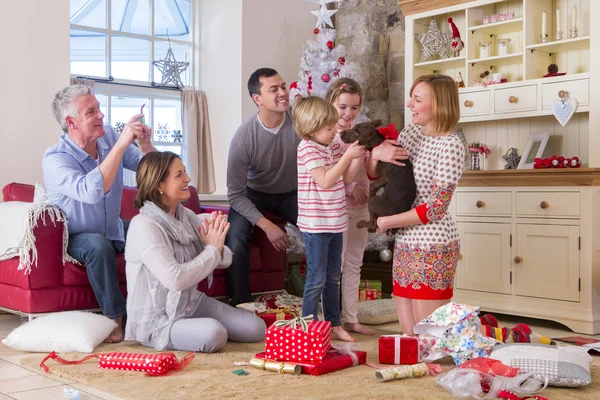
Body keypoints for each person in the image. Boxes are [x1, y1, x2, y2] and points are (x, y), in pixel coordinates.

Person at [43, 85, 154, 343]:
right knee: (97, 245)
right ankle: (114, 321)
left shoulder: (109, 138)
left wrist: (145, 144)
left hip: (111, 227)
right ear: (71, 122)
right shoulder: (56, 158)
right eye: (91, 111)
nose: (101, 115)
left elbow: (148, 170)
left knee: (148, 226)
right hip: (75, 236)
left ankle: (158, 310)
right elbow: (91, 191)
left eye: (99, 108)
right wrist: (122, 144)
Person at [125, 152, 266, 352]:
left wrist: (216, 244)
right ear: (159, 185)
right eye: (179, 175)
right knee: (214, 334)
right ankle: (186, 332)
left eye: (185, 172)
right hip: (157, 319)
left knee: (256, 328)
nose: (188, 179)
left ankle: (194, 328)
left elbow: (223, 259)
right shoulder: (144, 225)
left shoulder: (187, 216)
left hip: (190, 303)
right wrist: (212, 250)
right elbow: (175, 279)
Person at [366, 74, 466, 336]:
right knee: (410, 337)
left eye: (417, 99)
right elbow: (376, 175)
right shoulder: (409, 134)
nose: (409, 104)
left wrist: (388, 222)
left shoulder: (452, 145)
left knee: (431, 338)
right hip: (406, 242)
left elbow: (436, 208)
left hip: (433, 244)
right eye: (411, 97)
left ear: (440, 105)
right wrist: (375, 155)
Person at [226, 68, 301, 306]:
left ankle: (317, 296)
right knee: (235, 239)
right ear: (257, 99)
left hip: (290, 193)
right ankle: (241, 304)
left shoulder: (299, 124)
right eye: (274, 89)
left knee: (319, 227)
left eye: (283, 86)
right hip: (252, 196)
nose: (283, 93)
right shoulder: (243, 138)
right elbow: (235, 195)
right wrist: (267, 226)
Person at [295, 96, 366, 342]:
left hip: (336, 221)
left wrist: (357, 154)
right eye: (329, 128)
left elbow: (346, 179)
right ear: (312, 128)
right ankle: (308, 328)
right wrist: (347, 157)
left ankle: (334, 324)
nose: (335, 130)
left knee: (333, 277)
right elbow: (325, 180)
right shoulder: (307, 148)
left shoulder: (332, 146)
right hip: (316, 225)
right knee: (316, 277)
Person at [326, 78, 375, 336]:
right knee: (336, 265)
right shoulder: (328, 135)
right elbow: (332, 174)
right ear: (332, 103)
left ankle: (352, 318)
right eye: (343, 107)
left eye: (354, 107)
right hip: (339, 208)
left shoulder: (360, 133)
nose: (348, 113)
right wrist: (351, 188)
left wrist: (364, 189)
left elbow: (367, 170)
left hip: (361, 206)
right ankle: (333, 321)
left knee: (355, 262)